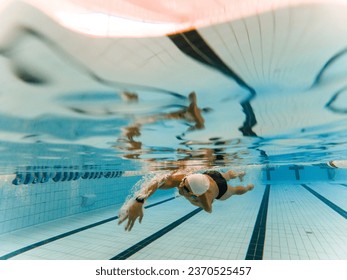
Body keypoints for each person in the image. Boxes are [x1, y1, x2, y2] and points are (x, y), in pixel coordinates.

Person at [118, 169, 254, 231]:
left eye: (184, 187)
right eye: (183, 182)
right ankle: (236, 173)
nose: (180, 185)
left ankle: (247, 187)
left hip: (220, 188)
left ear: (194, 193)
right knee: (227, 174)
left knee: (235, 190)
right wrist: (139, 200)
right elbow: (159, 180)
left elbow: (208, 209)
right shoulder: (187, 179)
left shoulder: (205, 196)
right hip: (211, 175)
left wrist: (189, 199)